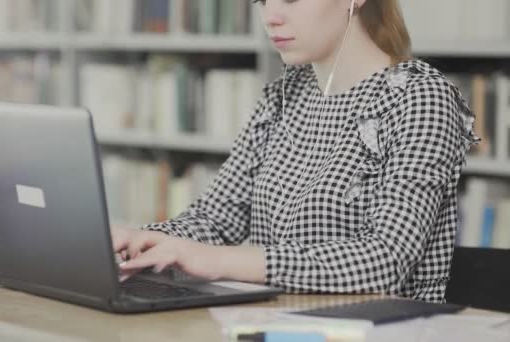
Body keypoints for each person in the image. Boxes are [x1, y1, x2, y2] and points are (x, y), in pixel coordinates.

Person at [113, 0, 479, 302]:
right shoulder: (280, 99)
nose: (270, 16)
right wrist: (138, 241)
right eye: (261, 0)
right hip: (274, 322)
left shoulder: (421, 98)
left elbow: (385, 260)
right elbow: (214, 219)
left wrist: (219, 261)